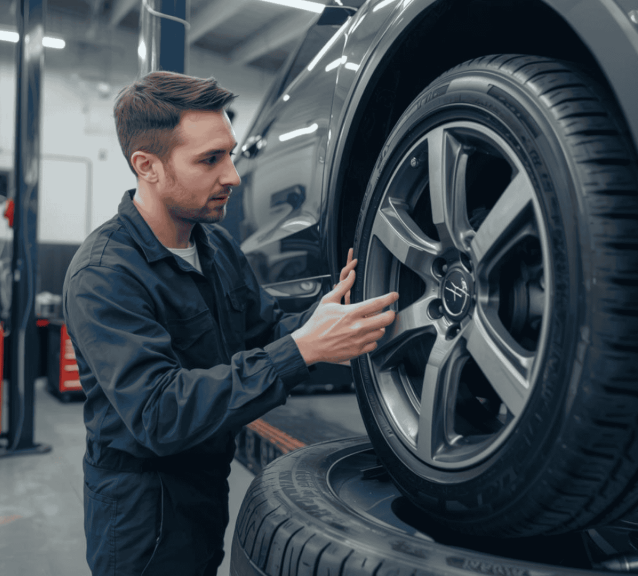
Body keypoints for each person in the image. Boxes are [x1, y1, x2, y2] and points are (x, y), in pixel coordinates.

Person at [62, 70, 399, 576]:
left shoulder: (214, 244)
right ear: (146, 166)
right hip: (141, 510)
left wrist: (325, 318)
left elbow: (263, 336)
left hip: (206, 484)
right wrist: (304, 349)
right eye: (209, 160)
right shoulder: (104, 274)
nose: (233, 176)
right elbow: (159, 414)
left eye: (230, 154)